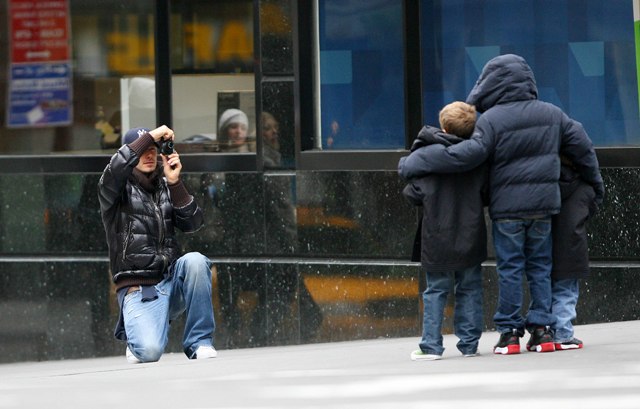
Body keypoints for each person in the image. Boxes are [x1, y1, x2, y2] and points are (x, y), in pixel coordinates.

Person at [398, 54, 604, 355]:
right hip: (544, 208)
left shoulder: (491, 121)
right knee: (541, 268)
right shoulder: (553, 114)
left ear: (492, 84)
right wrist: (596, 188)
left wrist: (412, 162)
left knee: (510, 269)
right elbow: (583, 148)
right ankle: (542, 331)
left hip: (507, 211)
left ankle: (509, 334)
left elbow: (464, 156)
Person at [98, 125, 218, 363]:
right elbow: (116, 167)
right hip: (141, 290)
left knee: (196, 262)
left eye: (153, 149)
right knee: (149, 351)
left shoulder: (164, 186)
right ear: (131, 153)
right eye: (143, 150)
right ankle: (135, 335)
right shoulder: (114, 191)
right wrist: (152, 136)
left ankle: (199, 342)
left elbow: (193, 224)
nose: (149, 155)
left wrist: (175, 183)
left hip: (171, 280)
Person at [403, 102, 488, 361]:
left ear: (444, 127)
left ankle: (431, 345)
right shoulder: (477, 160)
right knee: (470, 287)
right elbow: (487, 192)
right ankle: (469, 345)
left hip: (437, 235)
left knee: (436, 290)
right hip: (470, 233)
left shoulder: (428, 160)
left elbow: (412, 193)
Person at [551, 156, 598, 350]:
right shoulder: (584, 188)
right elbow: (592, 209)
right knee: (566, 292)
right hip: (572, 249)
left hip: (547, 247)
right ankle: (562, 334)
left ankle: (543, 333)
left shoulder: (548, 187)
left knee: (545, 290)